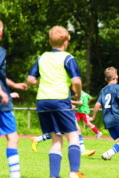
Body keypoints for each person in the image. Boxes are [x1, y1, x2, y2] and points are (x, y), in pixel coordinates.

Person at [27, 26, 85, 178]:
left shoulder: (42, 58)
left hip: (42, 103)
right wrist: (78, 94)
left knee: (56, 139)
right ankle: (74, 173)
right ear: (66, 43)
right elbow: (76, 81)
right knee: (73, 135)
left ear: (49, 41)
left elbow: (31, 79)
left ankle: (54, 176)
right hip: (60, 101)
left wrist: (44, 83)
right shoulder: (68, 58)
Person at [0, 20, 28, 178]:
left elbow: (1, 75)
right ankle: (15, 175)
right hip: (2, 103)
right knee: (12, 137)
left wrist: (14, 85)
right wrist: (2, 93)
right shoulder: (0, 51)